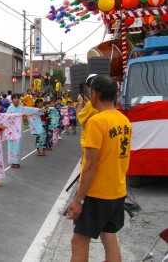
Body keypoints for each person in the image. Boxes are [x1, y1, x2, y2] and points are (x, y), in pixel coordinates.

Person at [67, 75, 132, 262]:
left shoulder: (97, 122)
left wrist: (79, 199)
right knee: (109, 239)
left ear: (94, 94)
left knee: (79, 242)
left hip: (97, 193)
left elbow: (91, 164)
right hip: (118, 190)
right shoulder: (124, 121)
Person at [6, 93, 40, 168]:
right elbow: (6, 118)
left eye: (18, 98)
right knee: (11, 145)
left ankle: (17, 161)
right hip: (11, 129)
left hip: (19, 128)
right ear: (12, 100)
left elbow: (31, 109)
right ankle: (12, 161)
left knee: (18, 144)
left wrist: (39, 110)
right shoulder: (9, 108)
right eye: (14, 98)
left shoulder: (22, 108)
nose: (16, 100)